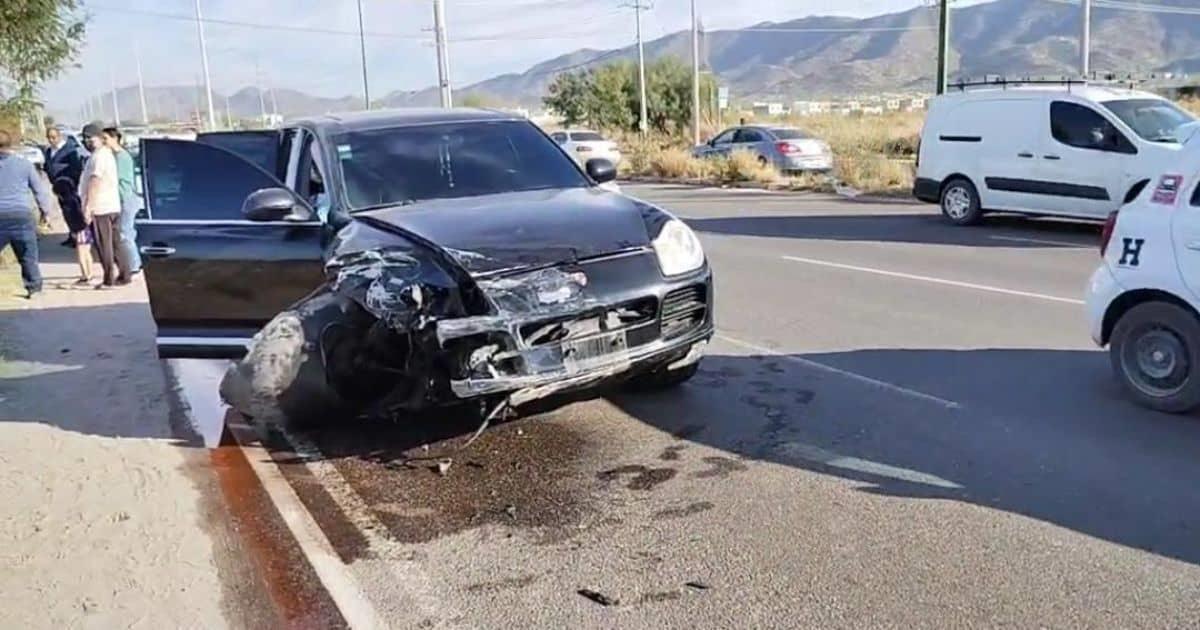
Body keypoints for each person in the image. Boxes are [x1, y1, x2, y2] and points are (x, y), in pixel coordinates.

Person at [0, 129, 53, 298]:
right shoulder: (24, 165)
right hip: (21, 215)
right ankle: (34, 288)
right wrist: (46, 212)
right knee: (28, 254)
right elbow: (40, 191)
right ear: (10, 144)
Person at [79, 123, 129, 288]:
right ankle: (124, 274)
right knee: (115, 243)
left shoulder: (100, 156)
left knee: (104, 244)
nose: (87, 142)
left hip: (101, 207)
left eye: (90, 138)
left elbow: (95, 180)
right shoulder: (102, 155)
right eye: (84, 138)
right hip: (110, 205)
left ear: (100, 138)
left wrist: (88, 206)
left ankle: (109, 279)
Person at [101, 127, 141, 275]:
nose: (104, 142)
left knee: (125, 233)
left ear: (114, 138)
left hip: (126, 198)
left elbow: (120, 181)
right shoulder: (113, 156)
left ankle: (134, 266)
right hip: (119, 199)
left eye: (105, 138)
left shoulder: (122, 157)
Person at [44, 127, 88, 247]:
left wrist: (72, 183)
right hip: (58, 187)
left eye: (54, 137)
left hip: (69, 186)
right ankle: (71, 235)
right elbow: (48, 166)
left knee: (74, 212)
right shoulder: (48, 151)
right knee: (65, 212)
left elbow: (76, 168)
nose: (51, 140)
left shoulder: (69, 150)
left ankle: (80, 237)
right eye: (49, 138)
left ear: (59, 136)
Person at [54, 177, 93, 284]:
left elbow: (74, 218)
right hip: (86, 228)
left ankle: (85, 275)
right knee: (87, 252)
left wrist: (74, 231)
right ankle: (89, 273)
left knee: (81, 253)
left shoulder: (68, 203)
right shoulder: (76, 198)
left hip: (79, 229)